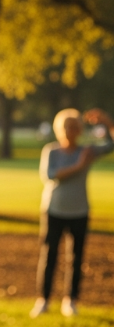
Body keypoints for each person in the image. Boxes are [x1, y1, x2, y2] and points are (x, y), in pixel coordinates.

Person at [30, 108, 114, 318]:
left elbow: (112, 144)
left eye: (75, 127)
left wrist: (107, 122)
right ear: (60, 130)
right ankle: (44, 299)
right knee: (49, 256)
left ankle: (70, 300)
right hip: (54, 210)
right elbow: (50, 175)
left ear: (80, 130)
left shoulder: (86, 150)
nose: (71, 131)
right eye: (67, 127)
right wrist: (79, 166)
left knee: (76, 258)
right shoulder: (52, 151)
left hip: (79, 211)